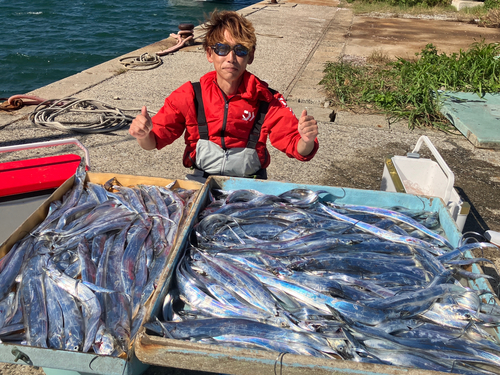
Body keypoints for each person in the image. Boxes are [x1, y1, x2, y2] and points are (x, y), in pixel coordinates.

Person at [129, 10, 319, 181]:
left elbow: (298, 148)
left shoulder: (267, 99)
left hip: (250, 182)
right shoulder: (189, 95)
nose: (231, 57)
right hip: (201, 179)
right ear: (209, 54)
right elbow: (153, 141)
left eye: (240, 50)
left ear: (250, 56)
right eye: (222, 49)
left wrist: (306, 140)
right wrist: (143, 134)